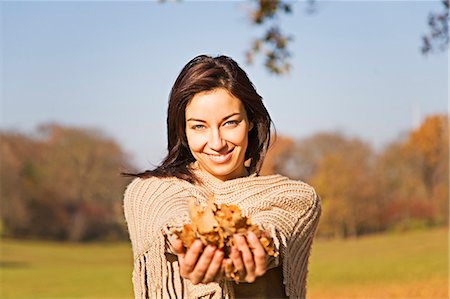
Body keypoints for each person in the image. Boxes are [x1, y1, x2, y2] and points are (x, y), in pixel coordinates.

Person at [123, 54, 321, 299]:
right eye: (199, 126)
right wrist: (196, 238)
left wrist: (252, 244)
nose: (216, 143)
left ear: (250, 120)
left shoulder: (294, 198)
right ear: (183, 131)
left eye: (230, 123)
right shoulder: (149, 191)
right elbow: (170, 211)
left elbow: (273, 226)